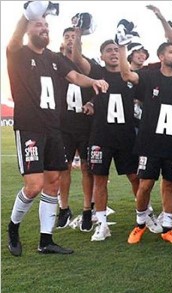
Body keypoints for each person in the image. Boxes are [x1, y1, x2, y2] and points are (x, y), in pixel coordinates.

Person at [6, 7, 108, 256]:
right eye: (38, 25)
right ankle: (13, 227)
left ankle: (46, 239)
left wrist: (93, 81)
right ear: (28, 28)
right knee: (33, 185)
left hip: (54, 129)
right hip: (30, 128)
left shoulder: (53, 57)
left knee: (53, 184)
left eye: (46, 26)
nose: (44, 28)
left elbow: (75, 76)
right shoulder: (18, 54)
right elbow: (14, 39)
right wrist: (27, 14)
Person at [71, 33, 141, 241]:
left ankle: (144, 217)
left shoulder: (131, 76)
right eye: (109, 50)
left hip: (126, 136)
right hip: (101, 137)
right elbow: (77, 59)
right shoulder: (97, 72)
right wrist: (78, 33)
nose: (113, 52)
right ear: (101, 56)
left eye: (116, 49)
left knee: (136, 177)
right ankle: (102, 224)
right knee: (99, 180)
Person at [118, 42, 172, 245]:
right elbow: (127, 75)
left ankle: (167, 227)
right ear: (161, 56)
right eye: (171, 52)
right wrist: (122, 47)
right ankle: (140, 224)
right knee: (145, 184)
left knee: (170, 184)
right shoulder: (150, 76)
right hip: (150, 142)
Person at [55, 26, 95, 232]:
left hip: (84, 125)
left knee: (87, 168)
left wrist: (93, 104)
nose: (71, 39)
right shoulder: (55, 62)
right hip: (63, 125)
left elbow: (100, 87)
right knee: (64, 168)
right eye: (67, 36)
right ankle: (64, 208)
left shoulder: (87, 63)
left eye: (75, 36)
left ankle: (88, 209)